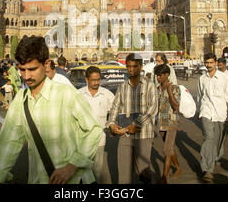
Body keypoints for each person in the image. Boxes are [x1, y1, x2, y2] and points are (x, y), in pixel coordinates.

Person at [0, 36, 102, 184]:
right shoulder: (20, 100)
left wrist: (73, 165)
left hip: (74, 180)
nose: (26, 76)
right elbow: (9, 141)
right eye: (22, 70)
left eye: (32, 69)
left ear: (46, 64)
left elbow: (94, 129)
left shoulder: (66, 94)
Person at [107, 53, 158, 184]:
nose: (131, 69)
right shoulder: (122, 87)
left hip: (144, 135)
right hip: (126, 135)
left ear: (140, 67)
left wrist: (137, 124)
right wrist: (112, 124)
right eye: (129, 66)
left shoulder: (149, 85)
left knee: (144, 172)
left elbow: (152, 109)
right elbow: (115, 107)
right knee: (124, 174)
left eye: (134, 66)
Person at [197, 53, 228, 183]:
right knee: (209, 138)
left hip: (220, 112)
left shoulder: (224, 78)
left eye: (210, 63)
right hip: (206, 112)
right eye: (206, 63)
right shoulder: (202, 78)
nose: (208, 65)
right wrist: (199, 111)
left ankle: (216, 156)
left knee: (218, 139)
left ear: (215, 63)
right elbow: (200, 95)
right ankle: (207, 169)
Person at [78, 66, 115, 183]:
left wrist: (111, 125)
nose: (96, 82)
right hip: (82, 139)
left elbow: (115, 113)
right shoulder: (78, 95)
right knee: (82, 171)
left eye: (98, 79)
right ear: (86, 80)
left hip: (99, 139)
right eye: (93, 80)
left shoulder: (107, 95)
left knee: (97, 171)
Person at [153, 64, 182, 183]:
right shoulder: (156, 89)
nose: (158, 77)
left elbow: (176, 106)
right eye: (157, 75)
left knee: (166, 150)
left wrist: (169, 92)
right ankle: (178, 168)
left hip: (171, 122)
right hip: (161, 122)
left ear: (166, 75)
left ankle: (164, 177)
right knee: (169, 148)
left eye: (160, 75)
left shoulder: (175, 88)